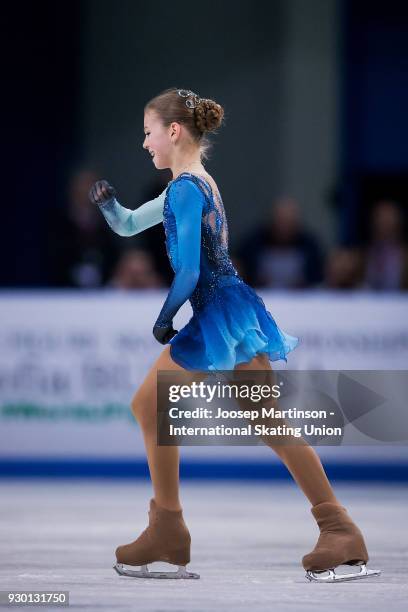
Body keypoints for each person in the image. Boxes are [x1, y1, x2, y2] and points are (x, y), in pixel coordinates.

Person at [89, 87, 380, 582]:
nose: (144, 144)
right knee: (268, 421)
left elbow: (188, 273)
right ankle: (339, 529)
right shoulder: (196, 182)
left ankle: (168, 530)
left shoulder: (185, 188)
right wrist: (110, 205)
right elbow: (129, 225)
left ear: (173, 131)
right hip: (234, 310)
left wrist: (164, 318)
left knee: (148, 406)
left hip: (218, 314)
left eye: (147, 133)